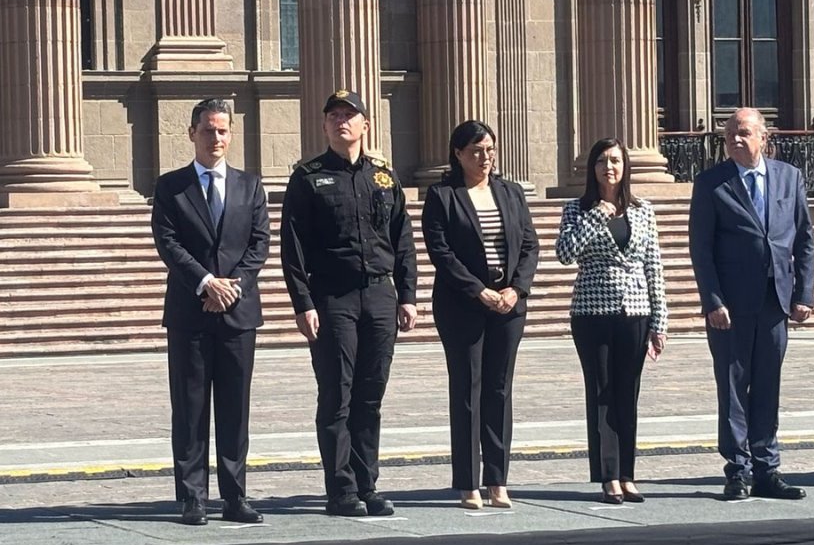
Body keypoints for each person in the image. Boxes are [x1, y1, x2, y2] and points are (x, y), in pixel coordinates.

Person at [280, 89, 418, 517]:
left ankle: (367, 484)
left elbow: (403, 240)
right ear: (324, 126)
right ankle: (341, 489)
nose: (342, 121)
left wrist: (408, 295)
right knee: (336, 395)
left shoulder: (383, 177)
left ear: (365, 125)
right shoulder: (308, 176)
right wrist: (303, 303)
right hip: (332, 296)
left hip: (379, 295)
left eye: (350, 115)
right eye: (334, 115)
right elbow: (293, 246)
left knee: (370, 396)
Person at [151, 98, 270, 526]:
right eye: (207, 130)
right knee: (190, 406)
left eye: (222, 130)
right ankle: (193, 497)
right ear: (191, 134)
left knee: (235, 408)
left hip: (238, 313)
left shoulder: (250, 186)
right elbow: (169, 244)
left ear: (231, 134)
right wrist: (206, 282)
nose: (215, 138)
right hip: (190, 310)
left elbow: (259, 245)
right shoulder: (171, 187)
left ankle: (236, 496)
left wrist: (232, 287)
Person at [689, 107, 814, 501]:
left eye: (743, 133)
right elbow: (701, 249)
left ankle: (767, 469)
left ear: (764, 137)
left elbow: (804, 240)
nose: (735, 140)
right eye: (729, 135)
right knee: (732, 387)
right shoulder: (711, 183)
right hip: (729, 306)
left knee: (767, 386)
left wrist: (803, 294)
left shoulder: (788, 178)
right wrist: (712, 299)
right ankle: (738, 470)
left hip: (774, 301)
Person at [421, 121, 540, 510]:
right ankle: (467, 482)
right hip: (462, 307)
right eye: (475, 151)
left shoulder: (510, 193)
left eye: (489, 149)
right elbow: (441, 252)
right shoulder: (443, 196)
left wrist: (515, 289)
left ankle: (497, 479)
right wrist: (479, 290)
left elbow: (529, 245)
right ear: (457, 153)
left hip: (508, 306)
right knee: (468, 391)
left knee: (499, 390)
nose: (484, 158)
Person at [555, 138, 667, 504]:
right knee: (601, 392)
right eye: (602, 161)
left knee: (627, 394)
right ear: (593, 168)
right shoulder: (577, 209)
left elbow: (654, 266)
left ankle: (628, 473)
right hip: (592, 311)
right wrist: (596, 215)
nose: (609, 167)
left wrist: (659, 321)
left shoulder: (643, 210)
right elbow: (565, 254)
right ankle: (608, 476)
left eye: (616, 161)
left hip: (635, 310)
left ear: (625, 167)